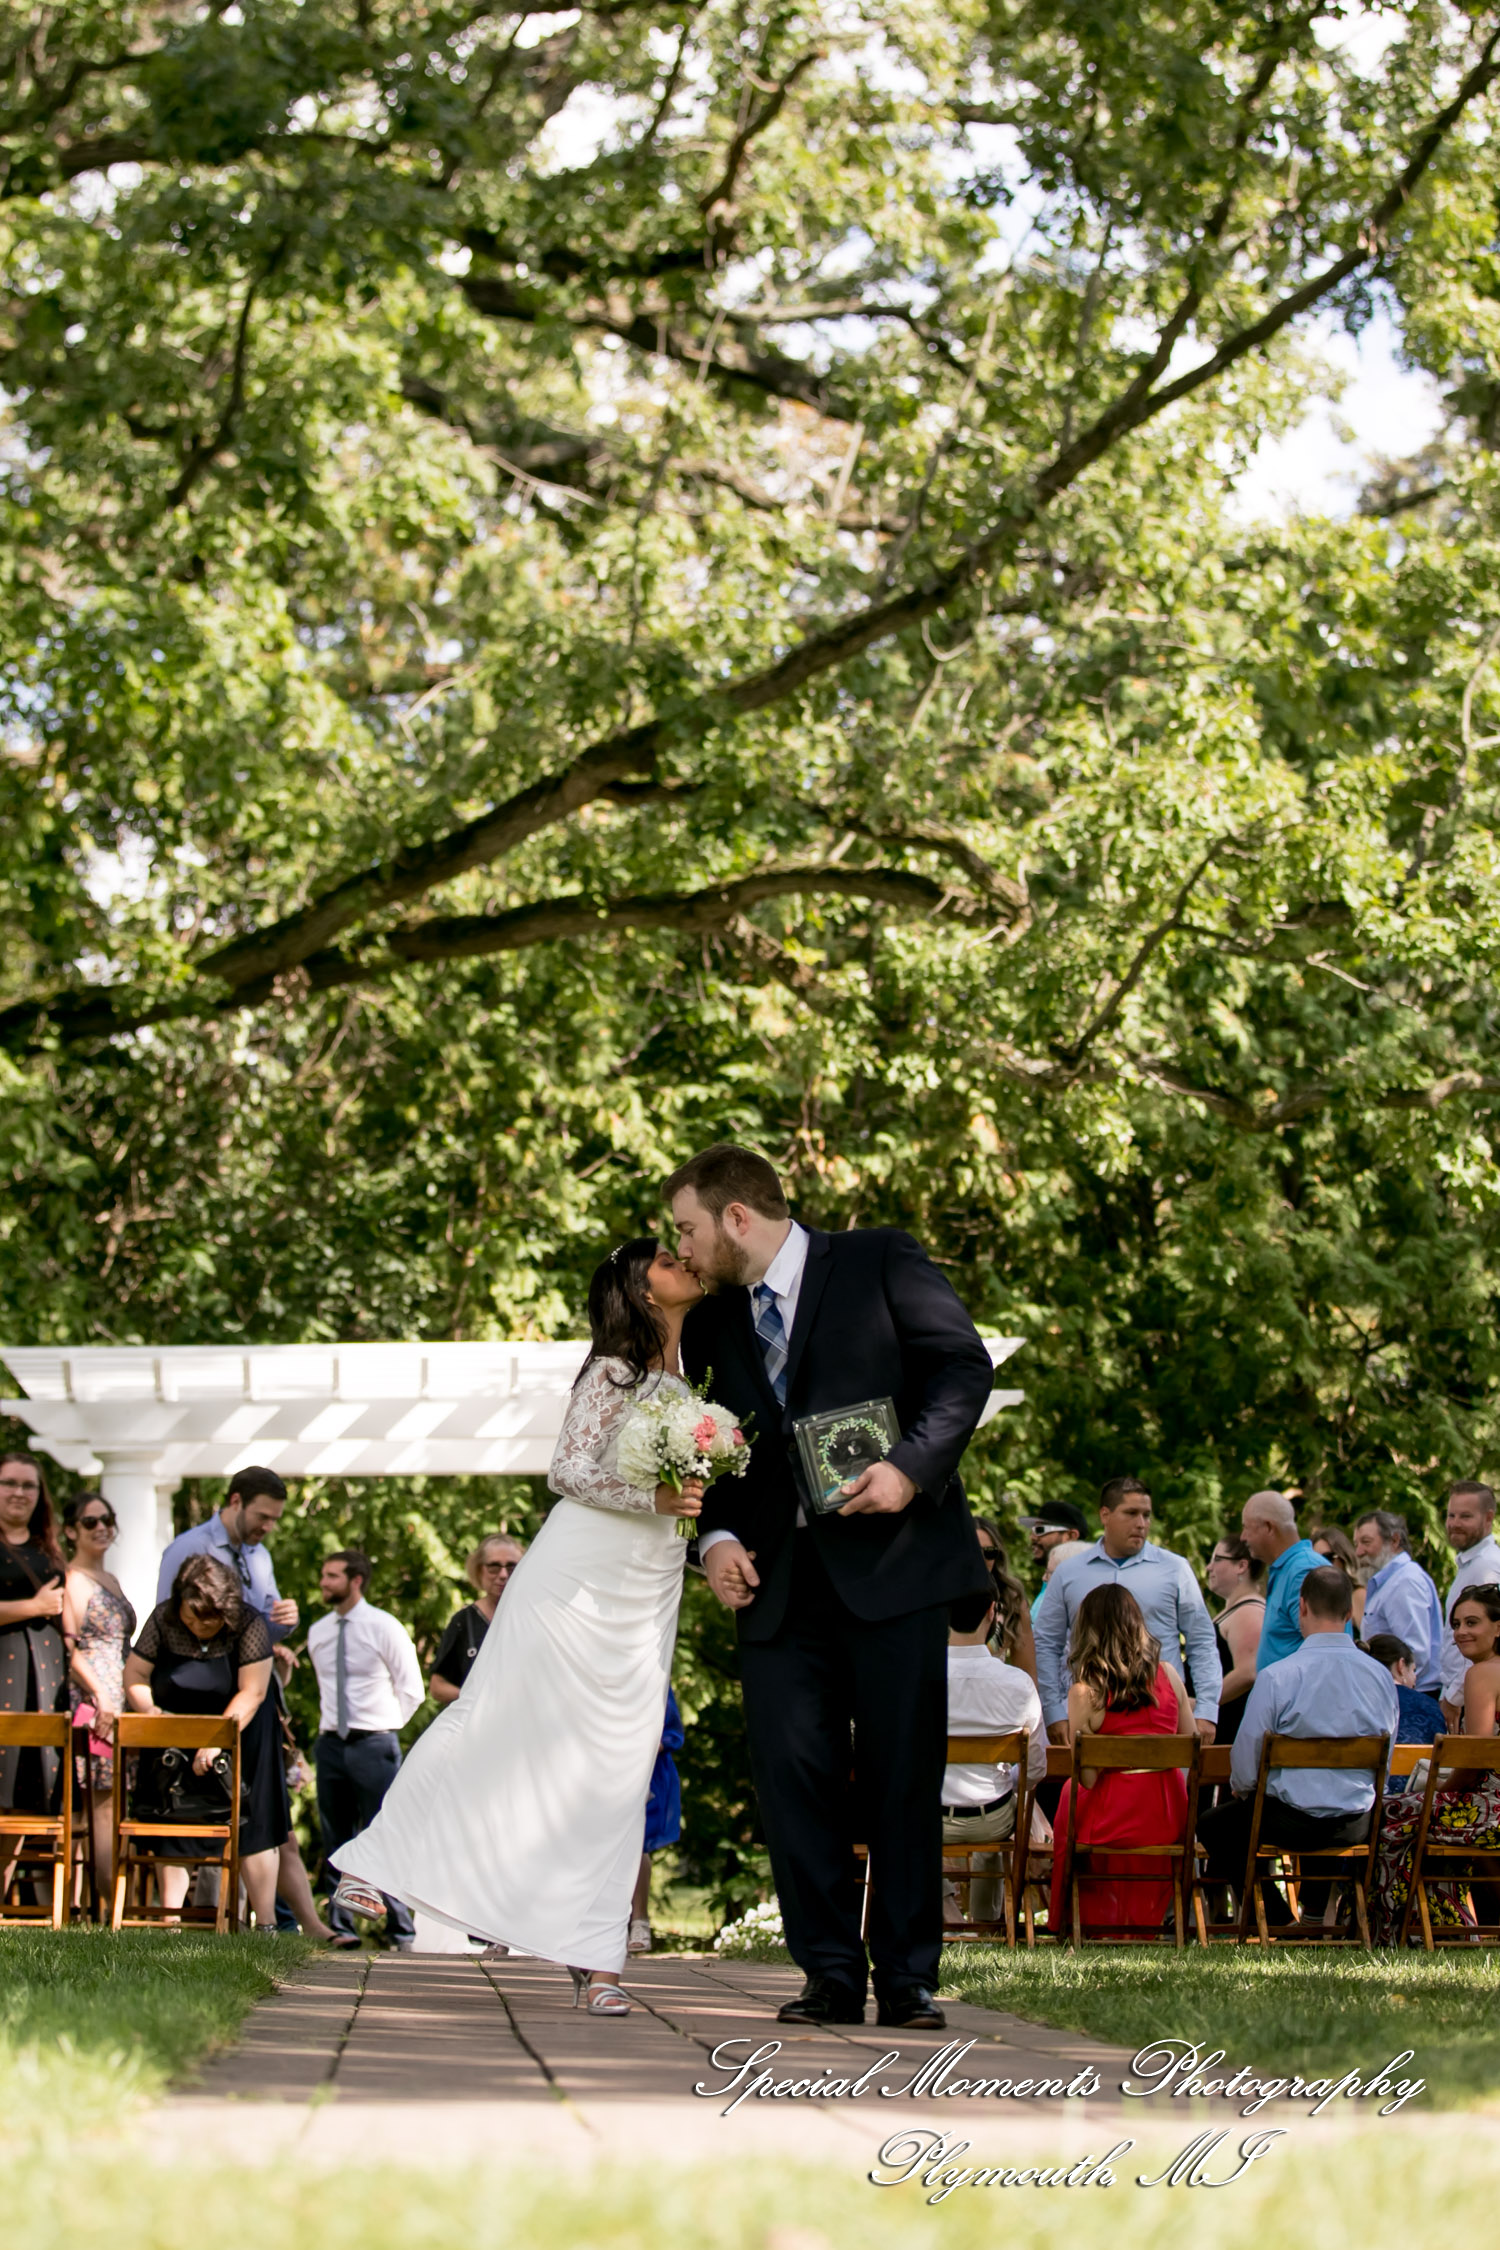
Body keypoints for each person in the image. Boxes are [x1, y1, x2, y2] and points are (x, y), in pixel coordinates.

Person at [331, 1237, 705, 2013]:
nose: (685, 1262)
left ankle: (595, 1953)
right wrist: (656, 1502)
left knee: (620, 1759)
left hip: (648, 1585)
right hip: (578, 1571)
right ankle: (375, 1860)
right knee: (497, 1716)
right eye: (668, 1259)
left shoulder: (688, 1371)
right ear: (641, 1289)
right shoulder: (613, 1370)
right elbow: (566, 1469)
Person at [671, 1143, 994, 2033]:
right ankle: (826, 1975)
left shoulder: (879, 1258)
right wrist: (717, 1539)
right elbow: (714, 1455)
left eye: (689, 1228)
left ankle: (909, 1982)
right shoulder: (710, 1324)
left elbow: (964, 1369)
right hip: (775, 1588)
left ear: (738, 1217)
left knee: (900, 1775)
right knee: (793, 1782)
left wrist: (908, 1469)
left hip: (894, 1572)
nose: (684, 1249)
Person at [1196, 1568, 1398, 1930]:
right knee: (1326, 1797)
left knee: (1216, 1825)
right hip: (1357, 1823)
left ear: (1301, 1607)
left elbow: (1246, 1760)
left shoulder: (1279, 1675)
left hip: (1289, 1823)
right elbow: (1387, 1755)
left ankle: (1277, 1918)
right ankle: (1316, 1914)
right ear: (1349, 1612)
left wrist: (1247, 1790)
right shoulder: (1380, 1676)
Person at [123, 1554, 286, 1926]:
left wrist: (217, 1740)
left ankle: (266, 1926)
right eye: (191, 1617)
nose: (197, 1625)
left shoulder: (248, 1622)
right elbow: (135, 1673)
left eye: (208, 1619)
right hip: (172, 1736)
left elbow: (254, 1691)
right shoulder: (164, 1618)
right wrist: (150, 1713)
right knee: (173, 1823)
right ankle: (171, 1921)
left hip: (242, 1733)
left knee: (252, 1825)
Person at [1048, 1585, 1195, 1937]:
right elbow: (1190, 1740)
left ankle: (1073, 1921)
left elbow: (1089, 1777)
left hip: (1114, 1820)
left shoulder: (1086, 1692)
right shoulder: (1170, 1675)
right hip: (1167, 1815)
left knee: (1070, 1797)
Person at [1033, 1478, 1221, 1747]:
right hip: (1089, 1717)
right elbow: (1046, 1645)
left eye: (1146, 1515)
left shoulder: (1174, 1569)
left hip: (1160, 1716)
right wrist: (1053, 1712)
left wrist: (1206, 1710)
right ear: (1105, 1515)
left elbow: (1202, 1642)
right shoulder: (1069, 1572)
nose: (1141, 1523)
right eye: (1131, 1513)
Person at [306, 1550, 424, 1949]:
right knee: (335, 1838)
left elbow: (412, 1690)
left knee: (386, 1833)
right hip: (330, 1747)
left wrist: (383, 1729)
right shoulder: (319, 1631)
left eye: (332, 1576)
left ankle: (400, 1931)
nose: (323, 1582)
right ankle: (342, 1929)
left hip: (374, 1744)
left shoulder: (383, 1627)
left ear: (356, 1580)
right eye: (322, 1574)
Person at [1372, 1583, 1500, 1941]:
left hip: (1491, 1808)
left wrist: (1438, 1787)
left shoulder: (1482, 1674)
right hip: (1489, 1809)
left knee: (1391, 1814)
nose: (1460, 1633)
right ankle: (1445, 1925)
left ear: (1499, 1627)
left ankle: (1396, 1931)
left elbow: (1477, 1759)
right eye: (1456, 1624)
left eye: (1472, 1622)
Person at [943, 1595, 1048, 1928]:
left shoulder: (913, 1679)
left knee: (899, 1823)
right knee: (1006, 1801)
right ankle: (986, 1922)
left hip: (929, 1820)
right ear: (992, 1613)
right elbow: (1035, 1768)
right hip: (995, 1818)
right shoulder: (1017, 1684)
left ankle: (945, 1913)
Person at [60, 1493, 135, 1902]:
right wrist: (101, 1697)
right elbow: (68, 1651)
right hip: (91, 1703)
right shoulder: (71, 1579)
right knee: (97, 1802)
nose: (102, 1527)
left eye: (108, 1519)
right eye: (91, 1522)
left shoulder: (112, 1580)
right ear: (71, 1531)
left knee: (112, 1802)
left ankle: (104, 1907)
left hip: (118, 1697)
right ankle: (97, 1906)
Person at [0, 1451, 67, 1826]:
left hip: (45, 1687)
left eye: (28, 1485)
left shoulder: (48, 1547)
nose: (18, 1492)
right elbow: (45, 1606)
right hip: (1, 1682)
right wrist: (33, 1606)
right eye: (9, 1482)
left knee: (28, 1800)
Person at [157, 1467, 298, 1643]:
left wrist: (288, 1620)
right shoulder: (189, 1547)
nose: (268, 1527)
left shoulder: (261, 1556)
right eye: (262, 1517)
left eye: (274, 1520)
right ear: (236, 1501)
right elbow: (165, 1624)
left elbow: (265, 1633)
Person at [429, 1535, 525, 1707]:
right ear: (480, 1570)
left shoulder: (533, 1617)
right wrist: (475, 1698)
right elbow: (437, 1687)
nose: (503, 1575)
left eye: (512, 1567)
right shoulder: (464, 1622)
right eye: (494, 1567)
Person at [1355, 1511, 1443, 1695]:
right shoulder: (1390, 1582)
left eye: (1366, 1542)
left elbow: (1415, 1653)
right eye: (1357, 1544)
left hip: (1409, 1696)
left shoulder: (1404, 1582)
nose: (1358, 1552)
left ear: (1394, 1541)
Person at [1243, 1491, 1329, 1667]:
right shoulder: (1289, 1569)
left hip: (1300, 1694)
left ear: (1268, 1527)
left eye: (1246, 1528)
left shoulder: (1303, 1571)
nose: (1242, 1537)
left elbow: (1324, 1653)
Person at [629, 1685, 685, 1955]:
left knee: (637, 1844)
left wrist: (652, 1744)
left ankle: (639, 1921)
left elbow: (672, 1730)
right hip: (597, 1766)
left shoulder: (653, 1676)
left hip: (643, 1768)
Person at [1439, 1482, 1500, 1724]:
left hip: (1477, 1697)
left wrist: (1454, 1697)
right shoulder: (1469, 1565)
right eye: (1451, 1515)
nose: (1454, 1523)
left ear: (1488, 1518)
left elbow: (1488, 1640)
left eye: (1465, 1516)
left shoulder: (1489, 1567)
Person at [1204, 1535, 1266, 1745]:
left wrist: (1203, 1703)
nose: (1209, 1567)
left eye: (1217, 1559)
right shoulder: (1237, 1609)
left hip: (1229, 1734)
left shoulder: (1248, 1611)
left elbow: (1247, 1673)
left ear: (1241, 1565)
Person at [1361, 1634, 1445, 1780]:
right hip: (1416, 1794)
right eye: (1413, 1670)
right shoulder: (1428, 1705)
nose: (1415, 1678)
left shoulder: (1357, 1702)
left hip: (1365, 1793)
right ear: (1401, 1665)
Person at [972, 1517, 1037, 1680]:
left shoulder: (1011, 1599)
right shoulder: (940, 1596)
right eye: (974, 1550)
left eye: (989, 1552)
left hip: (992, 1698)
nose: (982, 1559)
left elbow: (1027, 1674)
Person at [1019, 1504, 1089, 1619]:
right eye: (1032, 1531)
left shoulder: (1083, 1588)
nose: (1032, 1537)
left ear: (1071, 1536)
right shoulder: (1048, 1584)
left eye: (1040, 1530)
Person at [1310, 1524, 1363, 1628]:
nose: (1321, 1564)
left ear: (1343, 1558)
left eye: (1328, 1557)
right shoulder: (1311, 1602)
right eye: (1315, 1559)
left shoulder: (1358, 1596)